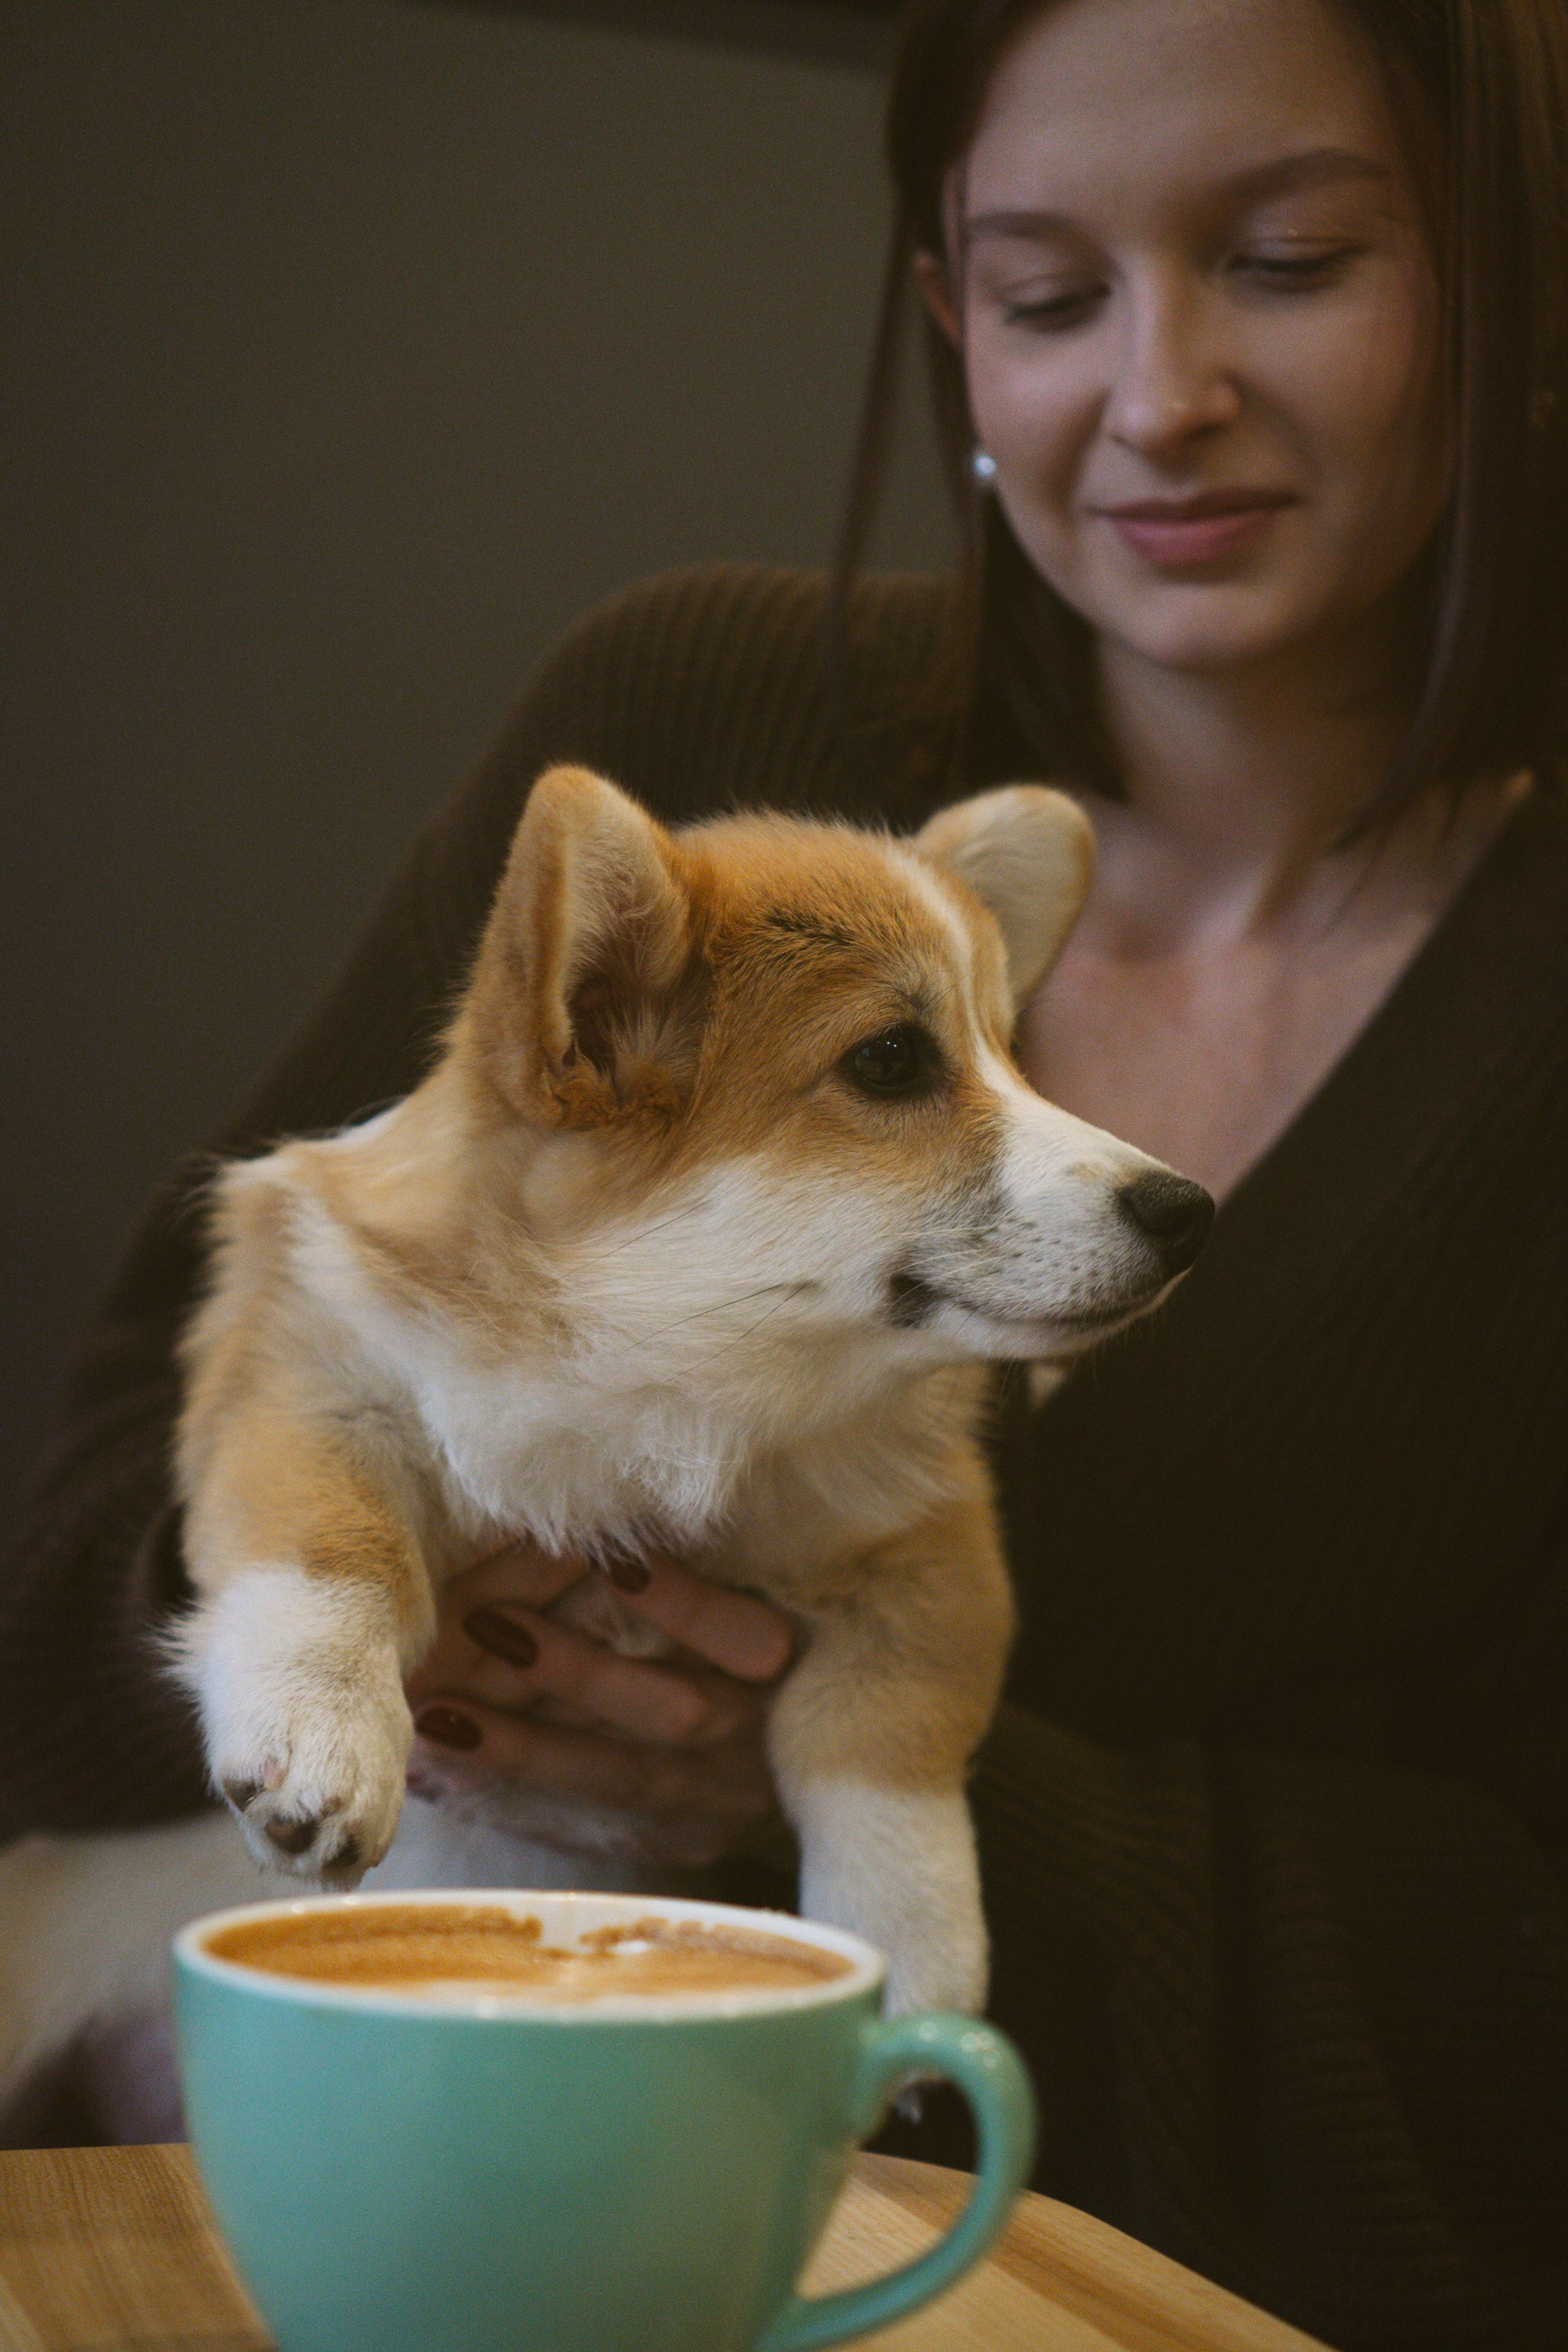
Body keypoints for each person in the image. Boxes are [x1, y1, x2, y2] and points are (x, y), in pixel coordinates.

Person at [3, 0, 1566, 2339]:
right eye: (1047, 296)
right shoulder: (699, 739)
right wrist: (345, 1587)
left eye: (1297, 259)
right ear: (950, 320)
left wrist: (836, 1777)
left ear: (1518, 275)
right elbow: (69, 1576)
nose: (1156, 397)